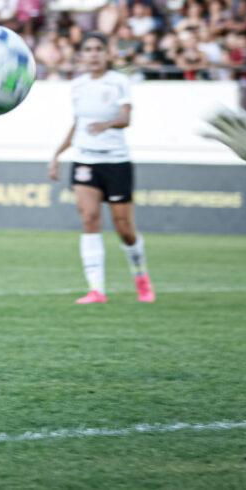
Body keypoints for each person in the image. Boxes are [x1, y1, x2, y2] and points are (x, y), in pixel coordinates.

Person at [48, 33, 154, 305]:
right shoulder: (78, 86)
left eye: (98, 49)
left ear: (107, 54)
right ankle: (96, 289)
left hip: (116, 161)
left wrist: (106, 125)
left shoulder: (119, 82)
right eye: (88, 50)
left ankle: (140, 276)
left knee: (124, 228)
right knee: (89, 218)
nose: (93, 54)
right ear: (82, 55)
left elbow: (126, 118)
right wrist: (58, 154)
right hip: (85, 160)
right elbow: (77, 123)